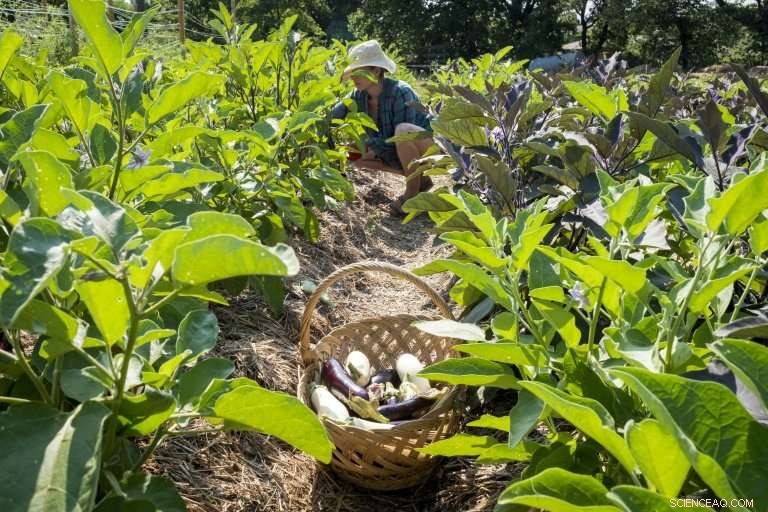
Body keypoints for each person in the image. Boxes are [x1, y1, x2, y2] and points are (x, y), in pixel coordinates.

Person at [330, 40, 434, 215]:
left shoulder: (400, 91)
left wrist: (371, 146)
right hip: (399, 150)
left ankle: (411, 197)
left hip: (429, 149)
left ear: (376, 71)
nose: (353, 77)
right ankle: (421, 180)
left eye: (359, 71)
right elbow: (331, 117)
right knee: (353, 155)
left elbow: (401, 140)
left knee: (402, 130)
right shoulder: (357, 95)